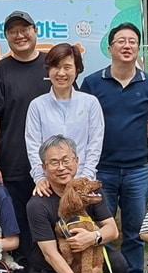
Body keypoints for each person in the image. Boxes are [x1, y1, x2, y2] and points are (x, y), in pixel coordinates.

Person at [25, 135, 130, 273]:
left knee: (119, 264)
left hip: (87, 257)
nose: (61, 167)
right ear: (44, 167)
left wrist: (93, 237)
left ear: (76, 161)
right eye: (54, 162)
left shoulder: (88, 190)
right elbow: (50, 254)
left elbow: (112, 230)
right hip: (50, 269)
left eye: (66, 160)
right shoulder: (37, 204)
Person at [81, 23, 148, 273]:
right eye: (121, 41)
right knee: (99, 229)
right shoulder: (92, 83)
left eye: (133, 42)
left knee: (135, 229)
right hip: (102, 170)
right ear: (110, 47)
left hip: (137, 169)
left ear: (138, 48)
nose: (127, 46)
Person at [0, 10, 51, 260]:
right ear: (7, 36)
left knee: (51, 220)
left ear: (35, 30)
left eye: (24, 29)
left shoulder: (52, 66)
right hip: (14, 163)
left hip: (52, 165)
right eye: (13, 31)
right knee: (17, 222)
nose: (20, 35)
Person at [24, 43, 104, 192]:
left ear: (77, 70)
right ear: (48, 70)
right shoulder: (37, 105)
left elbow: (95, 144)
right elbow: (34, 146)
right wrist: (40, 178)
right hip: (50, 184)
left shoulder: (90, 103)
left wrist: (85, 178)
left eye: (67, 67)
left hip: (83, 182)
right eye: (56, 67)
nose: (61, 73)